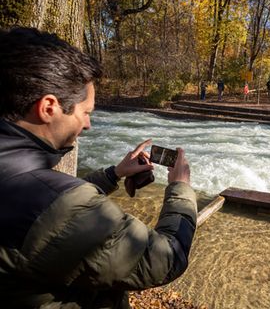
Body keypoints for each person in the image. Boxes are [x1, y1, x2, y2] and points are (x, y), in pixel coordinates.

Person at [0, 27, 197, 308]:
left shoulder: (21, 182)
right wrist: (181, 188)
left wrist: (113, 174)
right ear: (48, 108)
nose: (88, 125)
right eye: (86, 113)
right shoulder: (59, 205)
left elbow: (50, 218)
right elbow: (166, 258)